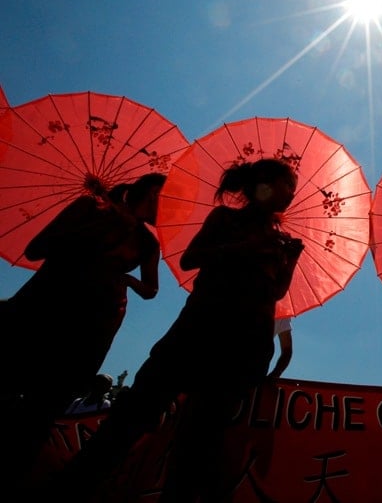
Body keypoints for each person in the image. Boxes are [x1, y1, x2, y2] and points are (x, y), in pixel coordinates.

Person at [44, 158, 303, 502]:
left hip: (245, 345)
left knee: (201, 439)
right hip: (197, 333)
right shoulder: (226, 219)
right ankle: (71, 488)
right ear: (264, 186)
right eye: (288, 184)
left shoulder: (280, 241)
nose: (291, 193)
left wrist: (291, 260)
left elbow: (277, 292)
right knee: (134, 415)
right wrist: (246, 249)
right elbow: (191, 258)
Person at [0, 172, 166, 494]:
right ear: (146, 192)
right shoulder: (90, 209)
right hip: (39, 313)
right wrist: (95, 225)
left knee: (40, 415)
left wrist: (126, 280)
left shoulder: (148, 243)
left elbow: (151, 289)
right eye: (162, 196)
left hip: (88, 333)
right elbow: (36, 250)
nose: (165, 205)